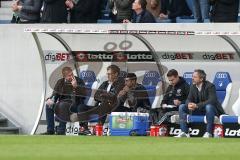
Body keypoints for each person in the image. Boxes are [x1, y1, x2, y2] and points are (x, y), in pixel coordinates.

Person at [175, 69, 225, 138]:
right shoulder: (193, 86)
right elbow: (189, 99)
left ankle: (209, 133)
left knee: (209, 106)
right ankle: (184, 132)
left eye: (195, 77)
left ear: (201, 79)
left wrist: (197, 105)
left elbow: (212, 100)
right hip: (198, 109)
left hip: (211, 111)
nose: (192, 78)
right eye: (192, 76)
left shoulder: (210, 86)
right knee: (182, 107)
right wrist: (189, 104)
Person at [42, 67, 86, 135]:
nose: (71, 77)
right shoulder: (60, 82)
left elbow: (84, 96)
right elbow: (55, 94)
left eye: (72, 74)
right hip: (61, 105)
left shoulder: (79, 81)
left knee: (63, 105)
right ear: (64, 76)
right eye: (69, 75)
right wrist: (51, 99)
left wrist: (76, 87)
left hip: (75, 106)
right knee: (48, 105)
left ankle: (61, 131)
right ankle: (50, 130)